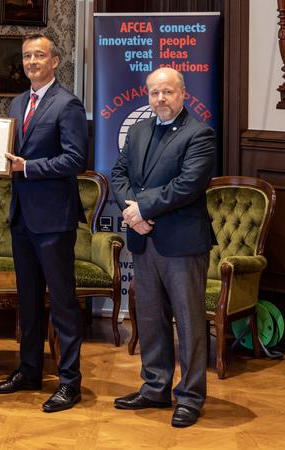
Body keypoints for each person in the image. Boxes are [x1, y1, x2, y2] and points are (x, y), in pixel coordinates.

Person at [0, 33, 88, 413]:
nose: (31, 62)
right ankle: (28, 371)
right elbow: (7, 157)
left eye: (39, 55)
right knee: (27, 301)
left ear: (55, 61)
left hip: (54, 220)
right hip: (22, 219)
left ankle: (69, 382)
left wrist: (28, 167)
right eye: (27, 56)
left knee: (62, 303)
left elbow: (76, 160)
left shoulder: (68, 104)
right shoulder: (16, 102)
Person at [111, 67, 216, 428]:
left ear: (183, 93)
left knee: (188, 324)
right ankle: (155, 388)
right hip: (144, 239)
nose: (160, 99)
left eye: (168, 92)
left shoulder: (199, 134)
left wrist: (143, 208)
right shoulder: (139, 130)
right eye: (154, 93)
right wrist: (132, 212)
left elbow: (188, 184)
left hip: (183, 244)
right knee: (152, 319)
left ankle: (190, 396)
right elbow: (119, 174)